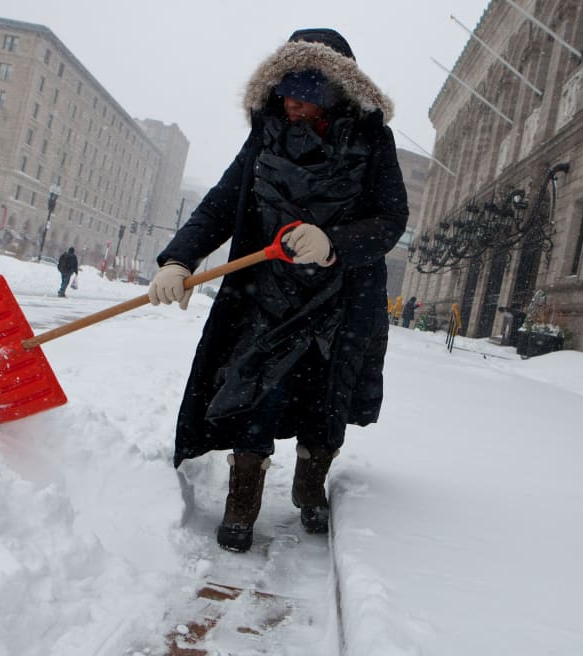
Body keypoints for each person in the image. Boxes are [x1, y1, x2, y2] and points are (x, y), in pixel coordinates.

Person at [147, 28, 408, 552]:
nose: (292, 100)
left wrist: (333, 242)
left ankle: (311, 487)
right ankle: (242, 505)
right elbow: (221, 203)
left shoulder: (371, 139)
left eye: (305, 90)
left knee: (324, 401)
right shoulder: (264, 135)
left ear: (334, 90)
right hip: (267, 293)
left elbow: (391, 217)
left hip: (339, 297)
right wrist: (178, 258)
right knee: (255, 393)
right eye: (285, 88)